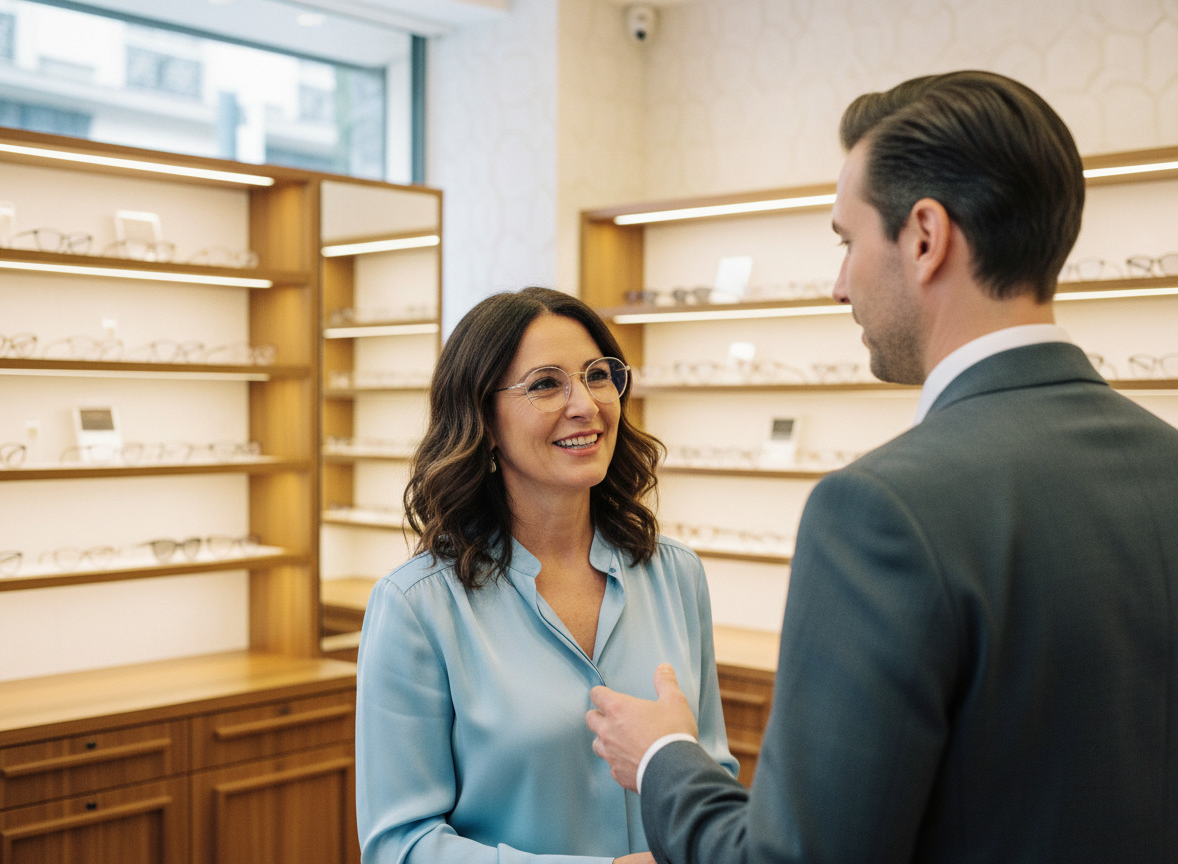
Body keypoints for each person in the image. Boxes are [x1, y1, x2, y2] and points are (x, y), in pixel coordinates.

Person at [586, 70, 1178, 863]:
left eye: (846, 240)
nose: (839, 285)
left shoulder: (880, 511)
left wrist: (664, 760)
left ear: (925, 237)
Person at [356, 286, 737, 864]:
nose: (584, 404)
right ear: (481, 418)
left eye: (598, 375)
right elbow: (399, 846)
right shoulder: (416, 607)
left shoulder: (676, 575)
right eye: (545, 383)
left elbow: (712, 779)